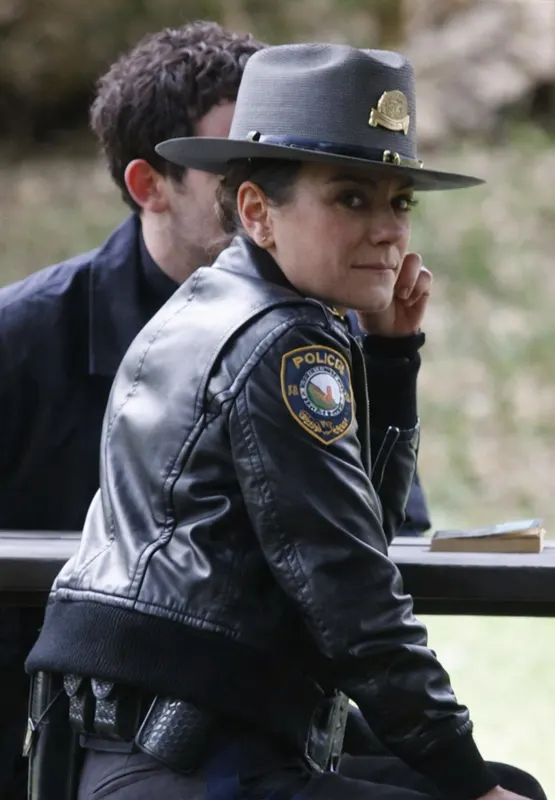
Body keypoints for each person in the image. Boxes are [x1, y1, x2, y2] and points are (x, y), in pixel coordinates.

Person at [26, 43, 546, 800]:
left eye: (401, 202)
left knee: (511, 783)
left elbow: (357, 533)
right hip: (193, 761)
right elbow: (354, 597)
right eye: (351, 198)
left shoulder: (215, 303)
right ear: (256, 212)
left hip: (165, 748)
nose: (389, 231)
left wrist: (391, 362)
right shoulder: (285, 344)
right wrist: (468, 782)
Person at [0, 21, 265, 800]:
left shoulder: (317, 329)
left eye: (281, 162)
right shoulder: (21, 340)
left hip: (262, 724)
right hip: (46, 734)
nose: (266, 193)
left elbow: (397, 532)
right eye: (234, 168)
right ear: (149, 185)